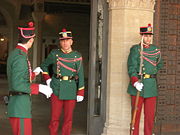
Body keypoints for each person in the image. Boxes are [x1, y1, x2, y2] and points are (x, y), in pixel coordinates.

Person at [7, 21, 53, 135]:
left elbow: (19, 77)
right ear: (31, 40)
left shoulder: (16, 53)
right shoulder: (20, 57)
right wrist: (40, 88)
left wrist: (33, 73)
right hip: (20, 107)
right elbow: (18, 84)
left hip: (18, 106)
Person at [41, 28, 85, 135]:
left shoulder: (77, 56)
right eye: (63, 40)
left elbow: (81, 75)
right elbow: (44, 66)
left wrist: (80, 92)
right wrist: (48, 80)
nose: (65, 43)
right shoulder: (54, 54)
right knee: (54, 118)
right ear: (60, 42)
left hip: (71, 88)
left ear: (71, 41)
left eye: (67, 40)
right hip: (56, 87)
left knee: (68, 119)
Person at [127, 24, 163, 135]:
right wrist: (135, 81)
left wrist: (151, 73)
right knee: (135, 116)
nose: (148, 38)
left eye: (149, 36)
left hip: (151, 86)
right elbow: (131, 66)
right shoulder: (136, 49)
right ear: (141, 36)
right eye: (146, 36)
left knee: (150, 117)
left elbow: (159, 65)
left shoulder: (155, 50)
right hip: (138, 85)